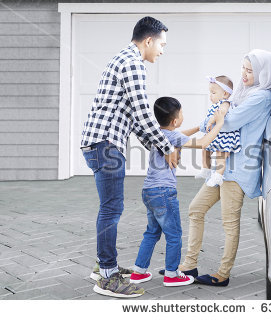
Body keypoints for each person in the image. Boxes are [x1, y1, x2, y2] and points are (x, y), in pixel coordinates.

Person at [159, 49, 271, 286]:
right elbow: (216, 118)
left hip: (239, 167)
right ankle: (190, 265)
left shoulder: (261, 97)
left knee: (229, 221)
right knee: (196, 209)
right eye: (243, 69)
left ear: (264, 73)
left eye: (250, 70)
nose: (244, 75)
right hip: (222, 169)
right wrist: (216, 116)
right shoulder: (244, 93)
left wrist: (216, 117)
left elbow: (227, 123)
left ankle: (222, 274)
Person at [81, 16, 179, 298]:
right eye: (161, 44)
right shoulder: (133, 63)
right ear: (148, 40)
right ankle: (108, 277)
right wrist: (167, 147)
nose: (162, 50)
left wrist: (156, 146)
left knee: (110, 207)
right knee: (111, 209)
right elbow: (143, 114)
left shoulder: (124, 59)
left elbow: (135, 121)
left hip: (101, 142)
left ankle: (104, 267)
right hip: (105, 144)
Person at [129, 97, 226, 287]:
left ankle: (139, 272)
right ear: (175, 120)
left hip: (149, 190)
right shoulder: (174, 137)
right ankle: (172, 274)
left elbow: (181, 134)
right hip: (165, 192)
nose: (182, 116)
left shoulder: (159, 133)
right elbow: (204, 143)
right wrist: (220, 123)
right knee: (174, 235)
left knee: (151, 233)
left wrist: (199, 126)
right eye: (181, 113)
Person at [195, 76, 241, 187]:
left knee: (221, 157)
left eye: (213, 93)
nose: (210, 95)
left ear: (225, 94)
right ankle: (206, 169)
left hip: (224, 136)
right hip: (214, 134)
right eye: (210, 92)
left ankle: (218, 176)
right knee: (205, 149)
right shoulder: (214, 105)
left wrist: (211, 121)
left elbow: (222, 112)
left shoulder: (225, 103)